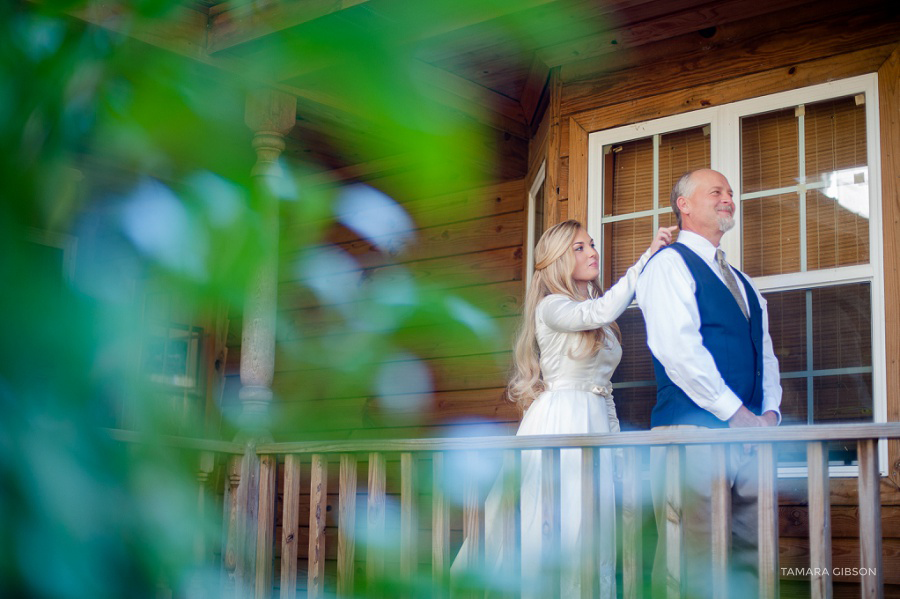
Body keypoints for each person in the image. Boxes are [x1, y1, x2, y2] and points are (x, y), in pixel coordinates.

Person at [451, 219, 675, 598]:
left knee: (593, 525)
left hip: (594, 421)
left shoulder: (592, 310)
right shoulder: (552, 306)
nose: (592, 252)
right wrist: (645, 260)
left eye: (591, 245)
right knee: (559, 520)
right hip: (561, 421)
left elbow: (601, 387)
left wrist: (615, 443)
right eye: (580, 248)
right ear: (557, 259)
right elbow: (598, 313)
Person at [635, 169, 783, 598]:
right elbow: (678, 351)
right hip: (692, 434)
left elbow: (765, 353)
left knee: (751, 558)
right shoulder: (667, 265)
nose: (728, 199)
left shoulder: (743, 281)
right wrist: (735, 414)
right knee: (690, 563)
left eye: (731, 193)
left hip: (753, 438)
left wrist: (768, 415)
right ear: (683, 204)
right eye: (716, 191)